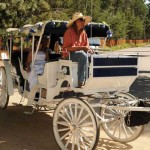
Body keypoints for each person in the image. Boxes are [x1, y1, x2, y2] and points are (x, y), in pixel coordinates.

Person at [62, 12, 93, 87]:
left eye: (83, 20)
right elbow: (67, 48)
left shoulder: (84, 33)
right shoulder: (68, 32)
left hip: (80, 54)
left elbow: (87, 46)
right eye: (81, 20)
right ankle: (81, 81)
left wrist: (90, 50)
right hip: (69, 55)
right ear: (76, 22)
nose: (83, 22)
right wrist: (82, 48)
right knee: (82, 55)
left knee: (93, 56)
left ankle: (92, 80)